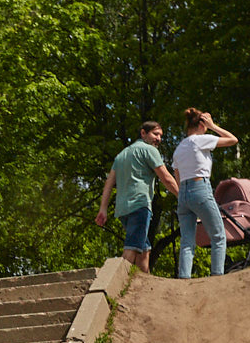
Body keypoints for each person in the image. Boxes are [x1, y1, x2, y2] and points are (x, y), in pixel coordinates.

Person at [95, 121, 180, 273]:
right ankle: (113, 284)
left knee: (144, 248)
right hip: (139, 205)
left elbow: (109, 183)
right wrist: (182, 196)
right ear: (143, 133)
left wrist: (103, 209)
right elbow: (166, 178)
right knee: (132, 249)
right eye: (155, 134)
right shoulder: (149, 150)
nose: (159, 138)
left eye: (161, 135)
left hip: (122, 210)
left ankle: (145, 283)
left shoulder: (121, 155)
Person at [172, 109, 238, 278]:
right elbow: (233, 140)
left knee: (187, 241)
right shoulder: (200, 140)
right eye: (206, 124)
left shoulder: (179, 147)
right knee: (218, 236)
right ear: (202, 124)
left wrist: (183, 195)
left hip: (183, 194)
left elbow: (177, 174)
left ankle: (184, 278)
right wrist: (214, 126)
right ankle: (217, 277)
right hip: (200, 188)